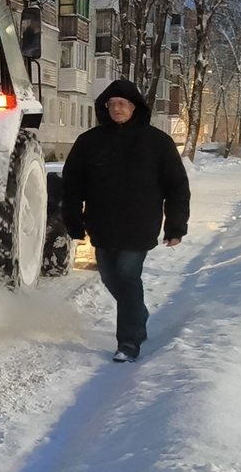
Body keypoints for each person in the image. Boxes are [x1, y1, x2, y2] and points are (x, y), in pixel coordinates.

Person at [62, 79, 191, 364]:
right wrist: (73, 221)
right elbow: (72, 185)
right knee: (110, 276)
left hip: (139, 225)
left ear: (134, 107)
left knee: (128, 276)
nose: (117, 109)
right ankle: (138, 314)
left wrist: (175, 226)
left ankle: (129, 342)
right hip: (103, 225)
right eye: (112, 104)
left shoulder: (157, 142)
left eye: (122, 104)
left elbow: (177, 187)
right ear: (105, 107)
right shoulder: (89, 142)